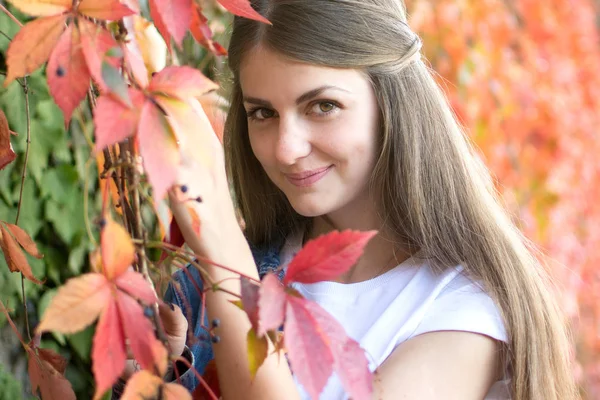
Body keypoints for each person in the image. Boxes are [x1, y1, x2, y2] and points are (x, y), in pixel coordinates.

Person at [118, 0, 579, 399]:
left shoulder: (463, 311)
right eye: (263, 113)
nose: (286, 149)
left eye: (322, 106)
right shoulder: (209, 285)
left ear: (391, 101)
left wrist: (221, 245)